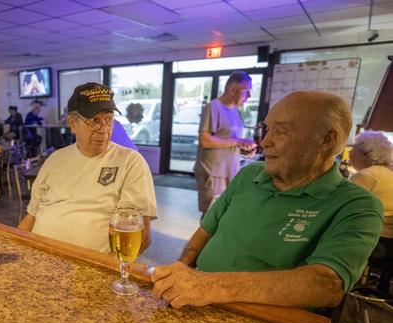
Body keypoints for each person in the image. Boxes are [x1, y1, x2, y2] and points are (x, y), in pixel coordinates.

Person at [152, 91, 383, 309]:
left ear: (326, 139)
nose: (264, 142)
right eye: (266, 129)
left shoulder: (357, 205)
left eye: (280, 131)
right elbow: (205, 232)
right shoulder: (248, 175)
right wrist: (181, 269)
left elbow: (326, 284)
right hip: (198, 303)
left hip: (264, 321)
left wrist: (210, 285)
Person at [18, 82, 157, 254]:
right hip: (39, 258)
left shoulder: (131, 162)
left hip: (92, 268)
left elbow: (142, 237)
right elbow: (31, 217)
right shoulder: (55, 160)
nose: (103, 130)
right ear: (72, 122)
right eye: (94, 121)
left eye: (108, 120)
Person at [194, 71, 256, 214]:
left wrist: (244, 148)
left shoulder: (235, 110)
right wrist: (237, 141)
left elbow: (229, 141)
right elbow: (205, 141)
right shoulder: (213, 108)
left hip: (230, 171)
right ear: (233, 90)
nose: (249, 97)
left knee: (224, 215)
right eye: (246, 92)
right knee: (211, 216)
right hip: (213, 173)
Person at [348, 131, 393, 294]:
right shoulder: (390, 171)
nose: (350, 153)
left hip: (379, 243)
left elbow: (346, 210)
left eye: (353, 149)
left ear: (364, 154)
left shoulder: (365, 176)